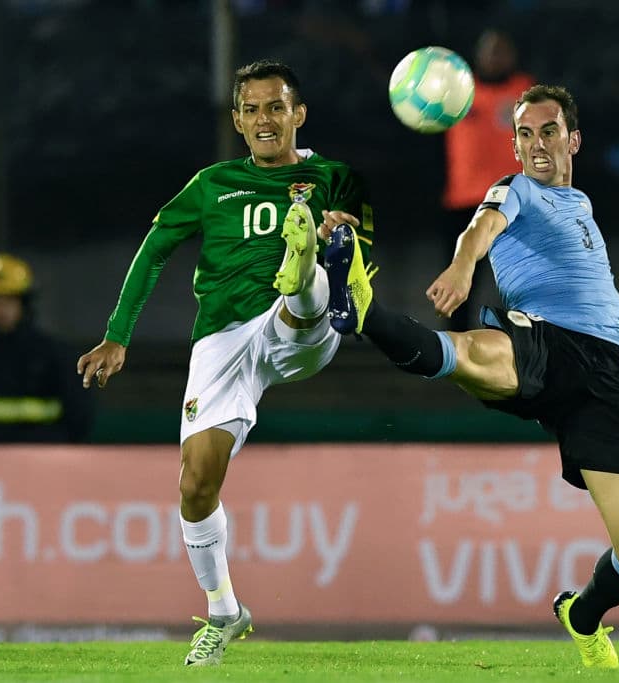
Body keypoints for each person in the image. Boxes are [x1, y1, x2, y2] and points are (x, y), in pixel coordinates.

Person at [323, 84, 619, 670]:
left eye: (547, 131)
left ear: (573, 139)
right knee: (470, 355)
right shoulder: (516, 188)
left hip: (606, 373)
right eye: (524, 134)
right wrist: (461, 264)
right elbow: (480, 227)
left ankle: (582, 616)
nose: (535, 145)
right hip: (544, 342)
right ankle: (360, 306)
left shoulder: (579, 204)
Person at [75, 60, 374, 667]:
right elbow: (154, 250)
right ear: (238, 121)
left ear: (300, 114)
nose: (267, 120)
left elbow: (370, 257)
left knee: (312, 276)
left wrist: (347, 238)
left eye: (277, 107)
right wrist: (116, 336)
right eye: (254, 110)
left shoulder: (337, 178)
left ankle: (311, 270)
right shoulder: (211, 184)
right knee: (194, 483)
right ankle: (224, 611)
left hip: (301, 328)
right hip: (222, 339)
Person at [440, 28, 534, 331]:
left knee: (523, 281)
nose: (496, 57)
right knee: (460, 280)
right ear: (478, 56)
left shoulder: (526, 89)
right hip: (465, 201)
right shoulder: (459, 92)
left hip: (513, 201)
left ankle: (528, 349)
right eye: (490, 50)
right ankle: (454, 352)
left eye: (502, 50)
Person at [0, 253, 94, 444]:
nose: (1, 310)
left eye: (9, 301)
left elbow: (79, 418)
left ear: (24, 304)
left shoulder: (55, 355)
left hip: (44, 460)